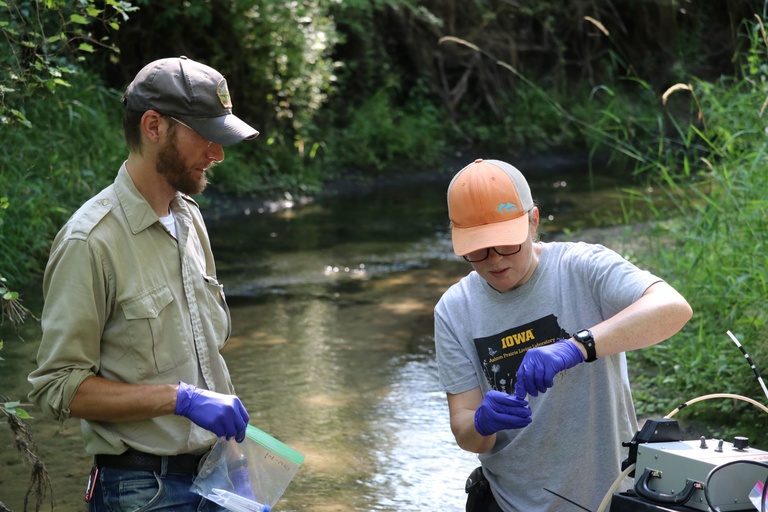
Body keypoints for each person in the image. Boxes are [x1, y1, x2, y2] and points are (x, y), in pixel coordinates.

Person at [28, 56, 259, 511]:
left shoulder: (190, 217)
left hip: (215, 482)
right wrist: (179, 400)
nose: (218, 154)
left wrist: (239, 470)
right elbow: (58, 386)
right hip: (140, 492)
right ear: (154, 126)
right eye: (206, 137)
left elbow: (208, 362)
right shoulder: (88, 242)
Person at [433, 158, 693, 512]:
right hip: (509, 503)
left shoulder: (583, 268)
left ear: (533, 221)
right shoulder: (453, 310)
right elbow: (465, 430)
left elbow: (672, 308)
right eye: (478, 249)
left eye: (506, 243)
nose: (494, 260)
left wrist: (576, 347)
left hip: (607, 497)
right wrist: (481, 421)